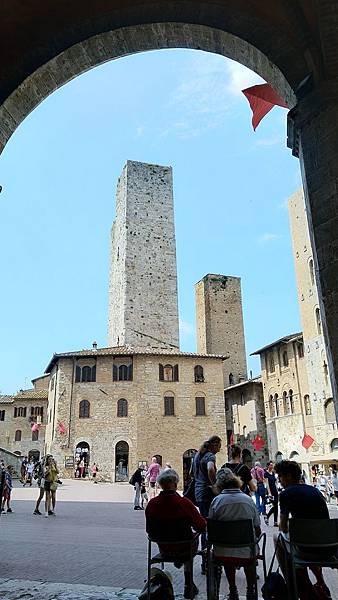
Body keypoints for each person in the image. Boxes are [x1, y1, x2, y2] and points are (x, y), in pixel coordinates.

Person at [274, 460, 332, 600]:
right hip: (328, 546)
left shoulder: (286, 494)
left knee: (278, 539)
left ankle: (297, 587)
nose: (279, 480)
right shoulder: (316, 491)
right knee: (307, 540)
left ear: (288, 476)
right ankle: (320, 581)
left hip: (305, 548)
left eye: (280, 476)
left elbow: (283, 526)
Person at [145, 468, 206, 599]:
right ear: (175, 483)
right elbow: (201, 526)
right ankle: (188, 584)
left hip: (164, 548)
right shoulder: (184, 503)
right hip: (185, 548)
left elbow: (149, 531)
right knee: (192, 539)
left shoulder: (152, 504)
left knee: (186, 540)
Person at [209, 467, 261, 600]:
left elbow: (212, 528)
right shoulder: (248, 500)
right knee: (248, 549)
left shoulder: (217, 501)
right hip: (247, 552)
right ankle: (250, 590)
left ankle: (233, 590)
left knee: (227, 550)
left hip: (223, 552)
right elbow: (257, 529)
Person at [193, 435, 222, 573]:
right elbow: (211, 469)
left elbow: (193, 474)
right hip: (207, 493)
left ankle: (205, 562)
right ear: (214, 445)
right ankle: (210, 561)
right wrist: (215, 485)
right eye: (219, 446)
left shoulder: (197, 456)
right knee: (210, 527)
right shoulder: (210, 456)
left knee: (204, 525)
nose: (220, 449)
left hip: (198, 493)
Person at [264, 461, 278, 526]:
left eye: (272, 465)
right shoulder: (266, 474)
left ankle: (275, 522)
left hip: (275, 491)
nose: (272, 466)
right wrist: (269, 493)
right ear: (268, 466)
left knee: (276, 506)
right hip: (270, 491)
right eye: (271, 465)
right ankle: (267, 516)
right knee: (274, 506)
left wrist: (277, 489)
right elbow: (267, 484)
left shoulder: (273, 473)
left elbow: (275, 482)